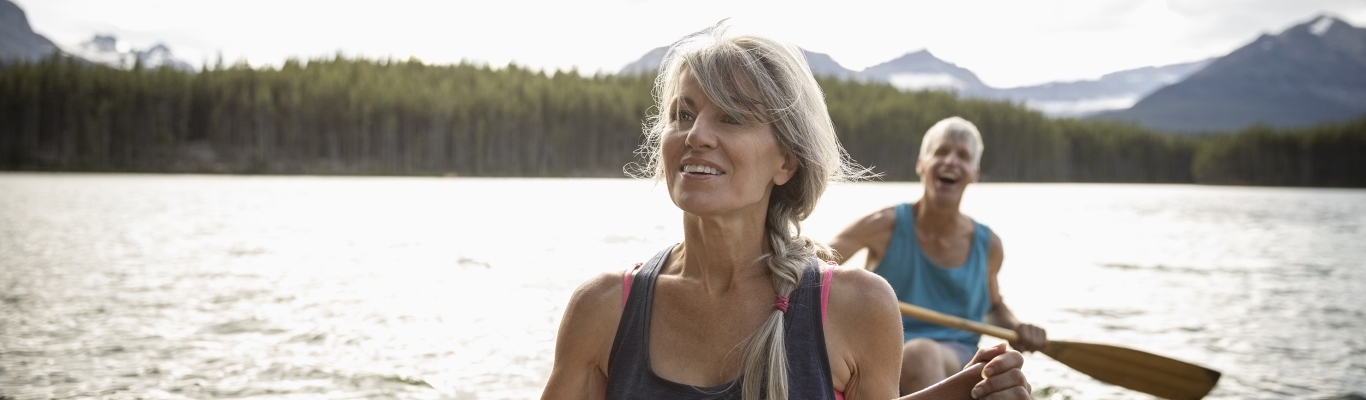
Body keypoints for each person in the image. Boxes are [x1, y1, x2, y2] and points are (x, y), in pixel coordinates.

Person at [541, 22, 1031, 400]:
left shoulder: (858, 308)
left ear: (786, 161)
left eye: (731, 117)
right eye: (683, 114)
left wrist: (972, 390)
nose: (696, 135)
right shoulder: (602, 308)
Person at [827, 116, 1048, 396]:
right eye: (941, 152)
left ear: (974, 173)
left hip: (960, 358)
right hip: (885, 352)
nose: (951, 161)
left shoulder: (989, 245)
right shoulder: (882, 226)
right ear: (922, 164)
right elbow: (812, 265)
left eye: (963, 156)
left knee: (1010, 380)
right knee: (920, 353)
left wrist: (1019, 328)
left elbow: (992, 309)